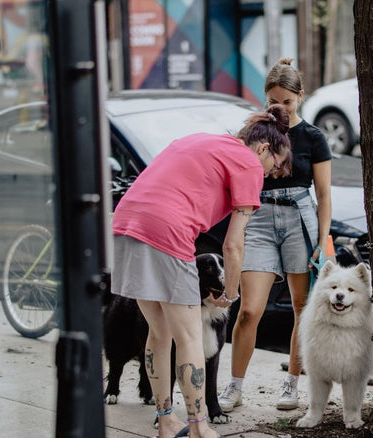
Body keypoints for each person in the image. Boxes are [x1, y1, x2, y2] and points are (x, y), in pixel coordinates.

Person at [110, 104, 292, 438]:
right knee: (191, 336)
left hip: (125, 223)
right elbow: (233, 246)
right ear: (264, 148)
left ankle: (167, 422)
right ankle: (199, 427)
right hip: (167, 230)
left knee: (159, 332)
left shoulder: (203, 141)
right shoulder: (249, 163)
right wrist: (231, 293)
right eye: (274, 166)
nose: (269, 174)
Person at [218, 58, 332, 412]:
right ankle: (234, 386)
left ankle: (292, 383)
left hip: (300, 218)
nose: (280, 107)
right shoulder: (255, 132)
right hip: (260, 218)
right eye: (273, 101)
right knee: (249, 309)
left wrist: (321, 240)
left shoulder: (313, 137)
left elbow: (324, 194)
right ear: (264, 98)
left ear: (300, 96)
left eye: (287, 100)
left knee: (301, 308)